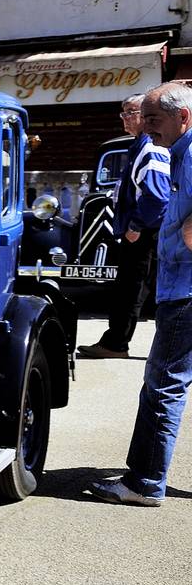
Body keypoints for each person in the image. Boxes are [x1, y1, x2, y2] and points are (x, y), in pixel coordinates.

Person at [90, 81, 192, 506]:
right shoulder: (177, 153)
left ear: (182, 117)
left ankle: (145, 483)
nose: (146, 127)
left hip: (186, 291)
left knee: (162, 385)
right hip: (179, 286)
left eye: (153, 118)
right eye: (142, 118)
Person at [79, 94, 170, 359]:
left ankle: (116, 344)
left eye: (130, 112)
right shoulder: (141, 145)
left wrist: (137, 225)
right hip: (146, 229)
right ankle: (116, 342)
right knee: (134, 288)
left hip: (147, 231)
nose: (125, 118)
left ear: (146, 115)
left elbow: (157, 196)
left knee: (131, 289)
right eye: (123, 112)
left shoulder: (150, 148)